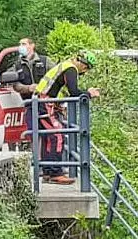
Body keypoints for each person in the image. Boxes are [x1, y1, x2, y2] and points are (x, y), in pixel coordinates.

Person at [35, 51, 100, 185]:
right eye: (86, 68)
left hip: (41, 101)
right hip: (44, 103)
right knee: (57, 134)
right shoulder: (71, 69)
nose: (85, 71)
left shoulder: (64, 65)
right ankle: (55, 173)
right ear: (83, 64)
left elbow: (51, 88)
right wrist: (89, 93)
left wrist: (58, 105)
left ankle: (48, 171)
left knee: (49, 136)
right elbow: (74, 92)